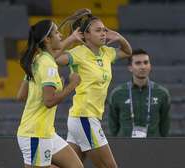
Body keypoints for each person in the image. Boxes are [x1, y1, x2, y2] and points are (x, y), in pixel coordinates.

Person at [56, 9, 132, 168]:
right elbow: (54, 59)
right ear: (86, 35)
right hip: (84, 117)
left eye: (105, 30)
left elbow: (127, 52)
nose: (103, 33)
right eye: (98, 30)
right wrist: (70, 40)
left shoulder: (106, 53)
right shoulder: (77, 54)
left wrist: (119, 37)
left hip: (85, 118)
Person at [16, 19, 84, 168]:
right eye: (56, 32)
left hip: (47, 132)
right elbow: (48, 102)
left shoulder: (37, 60)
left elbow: (20, 96)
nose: (60, 35)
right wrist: (72, 85)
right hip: (35, 134)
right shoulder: (47, 64)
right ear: (47, 39)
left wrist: (71, 39)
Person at [108, 48, 171, 138]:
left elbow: (165, 127)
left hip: (153, 147)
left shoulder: (161, 93)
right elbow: (113, 127)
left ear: (150, 66)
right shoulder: (118, 93)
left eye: (146, 62)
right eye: (138, 63)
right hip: (126, 147)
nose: (143, 67)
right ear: (130, 67)